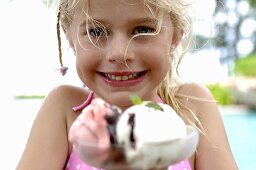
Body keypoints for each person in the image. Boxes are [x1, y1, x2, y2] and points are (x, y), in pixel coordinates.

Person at [16, 0, 238, 169]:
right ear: (70, 36)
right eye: (96, 32)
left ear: (175, 36)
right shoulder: (65, 110)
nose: (119, 54)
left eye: (143, 30)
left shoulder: (193, 107)